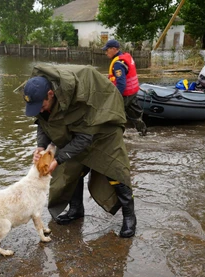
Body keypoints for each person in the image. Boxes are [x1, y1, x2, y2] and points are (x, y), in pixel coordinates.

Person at [22, 63, 137, 238]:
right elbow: (43, 123)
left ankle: (129, 217)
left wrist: (57, 159)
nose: (39, 109)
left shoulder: (78, 96)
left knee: (115, 169)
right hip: (78, 127)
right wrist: (41, 146)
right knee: (71, 169)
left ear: (50, 94)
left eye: (41, 105)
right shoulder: (41, 95)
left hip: (104, 124)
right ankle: (76, 209)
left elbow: (84, 138)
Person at [102, 39, 147, 135]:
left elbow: (121, 84)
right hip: (132, 92)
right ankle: (143, 133)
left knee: (112, 114)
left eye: (107, 50)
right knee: (135, 116)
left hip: (125, 94)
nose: (106, 53)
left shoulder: (118, 64)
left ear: (114, 49)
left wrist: (115, 98)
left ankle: (114, 136)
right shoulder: (125, 57)